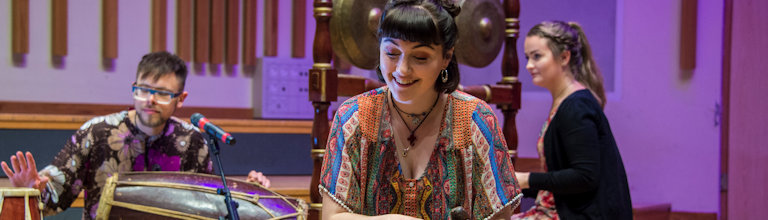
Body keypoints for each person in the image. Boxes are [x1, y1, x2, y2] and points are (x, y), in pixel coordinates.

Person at [1, 51, 270, 219]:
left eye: (163, 94)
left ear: (181, 99)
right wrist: (33, 189)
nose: (150, 100)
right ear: (134, 89)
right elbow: (54, 197)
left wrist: (246, 191)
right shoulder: (97, 133)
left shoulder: (192, 141)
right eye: (143, 89)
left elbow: (208, 205)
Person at [319, 0, 522, 219]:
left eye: (420, 57)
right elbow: (332, 216)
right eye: (391, 53)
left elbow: (500, 216)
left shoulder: (476, 119)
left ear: (446, 57)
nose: (402, 70)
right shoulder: (354, 116)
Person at [513, 20, 632, 219]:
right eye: (527, 57)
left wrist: (526, 179)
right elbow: (563, 180)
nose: (529, 65)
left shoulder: (576, 106)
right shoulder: (566, 102)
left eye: (537, 56)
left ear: (564, 57)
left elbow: (585, 177)